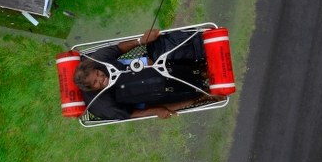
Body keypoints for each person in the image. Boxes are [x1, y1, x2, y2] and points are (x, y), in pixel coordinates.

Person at [73, 28, 215, 120]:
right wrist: (157, 111)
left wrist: (141, 41)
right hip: (145, 95)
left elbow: (119, 48)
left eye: (98, 73)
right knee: (163, 101)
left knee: (162, 53)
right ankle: (203, 96)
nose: (101, 78)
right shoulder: (104, 105)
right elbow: (132, 114)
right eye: (95, 82)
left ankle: (203, 67)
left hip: (142, 69)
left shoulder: (98, 59)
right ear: (91, 89)